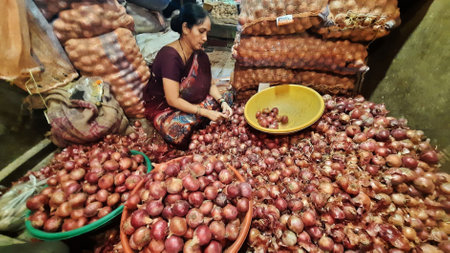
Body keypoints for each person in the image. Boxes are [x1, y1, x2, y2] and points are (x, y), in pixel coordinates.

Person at [143, 3, 234, 148]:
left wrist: (222, 102)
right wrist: (205, 112)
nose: (205, 38)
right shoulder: (170, 57)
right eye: (201, 31)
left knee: (228, 96)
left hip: (189, 102)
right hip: (167, 109)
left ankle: (203, 120)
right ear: (186, 28)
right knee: (179, 129)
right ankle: (203, 121)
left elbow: (209, 84)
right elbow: (172, 100)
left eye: (207, 33)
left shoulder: (199, 53)